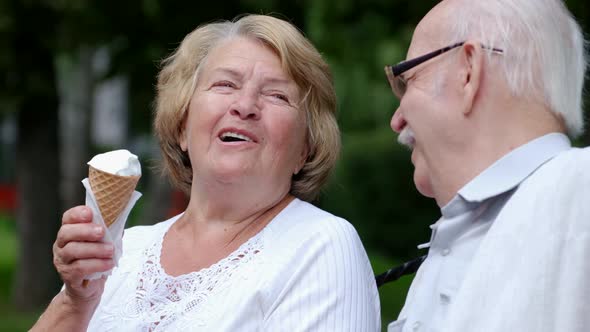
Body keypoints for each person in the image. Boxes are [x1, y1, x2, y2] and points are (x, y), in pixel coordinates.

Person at [32, 14, 380, 331]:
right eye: (225, 85)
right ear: (182, 126)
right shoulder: (124, 250)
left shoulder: (320, 246)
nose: (244, 106)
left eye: (276, 95)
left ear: (305, 148)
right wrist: (76, 301)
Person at [383, 0, 589, 331]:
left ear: (469, 70)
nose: (397, 120)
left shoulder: (579, 187)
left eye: (407, 81)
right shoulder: (448, 246)